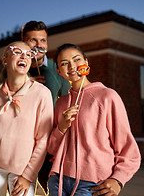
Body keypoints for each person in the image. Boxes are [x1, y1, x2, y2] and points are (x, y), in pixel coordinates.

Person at [47, 43, 141, 196]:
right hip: (58, 181)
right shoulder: (61, 103)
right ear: (58, 71)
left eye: (77, 59)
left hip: (93, 184)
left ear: (86, 62)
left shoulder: (107, 96)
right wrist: (62, 127)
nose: (71, 66)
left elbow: (129, 150)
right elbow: (51, 149)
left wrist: (118, 180)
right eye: (64, 63)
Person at [0, 41, 53, 196]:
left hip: (23, 170)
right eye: (17, 52)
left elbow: (43, 140)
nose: (24, 56)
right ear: (5, 59)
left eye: (29, 54)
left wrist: (28, 176)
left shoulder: (42, 94)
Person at [21, 21, 71, 194]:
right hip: (21, 145)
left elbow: (67, 104)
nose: (39, 45)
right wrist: (24, 83)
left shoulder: (57, 70)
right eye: (32, 40)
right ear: (23, 43)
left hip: (48, 145)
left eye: (43, 40)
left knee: (56, 190)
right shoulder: (13, 69)